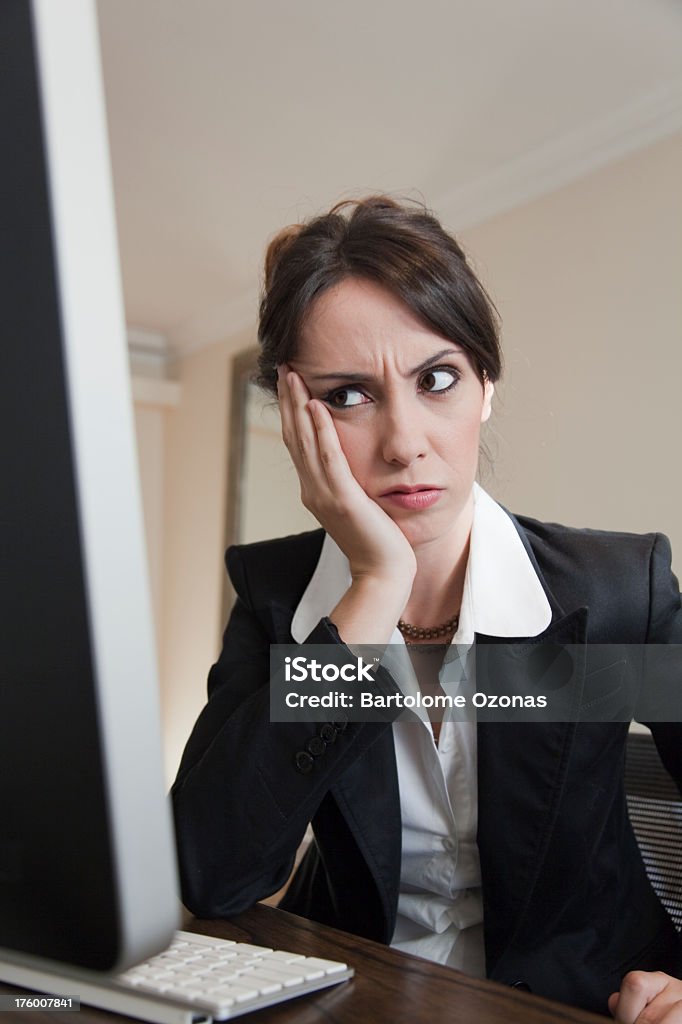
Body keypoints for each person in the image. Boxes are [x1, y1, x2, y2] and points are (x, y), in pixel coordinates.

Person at [172, 196, 682, 1021]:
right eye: (348, 397)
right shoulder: (279, 601)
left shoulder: (616, 594)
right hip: (353, 994)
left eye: (436, 379)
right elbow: (213, 874)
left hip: (583, 1004)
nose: (404, 441)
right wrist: (372, 588)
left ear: (486, 384)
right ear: (297, 425)